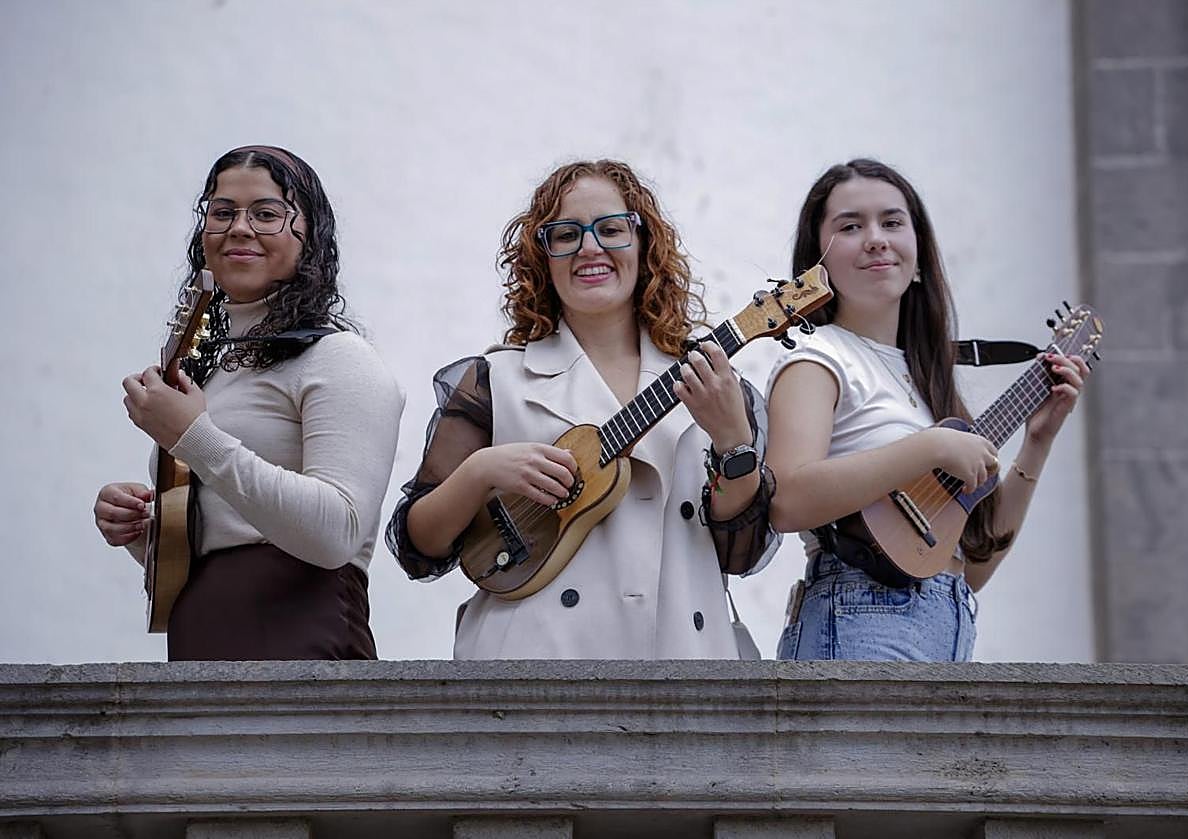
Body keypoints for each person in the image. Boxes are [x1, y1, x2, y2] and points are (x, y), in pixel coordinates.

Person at [386, 159, 779, 659]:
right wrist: (480, 471)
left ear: (643, 244)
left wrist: (733, 442)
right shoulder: (495, 381)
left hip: (683, 662)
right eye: (567, 235)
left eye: (611, 230)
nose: (590, 248)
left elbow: (740, 553)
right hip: (533, 665)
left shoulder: (713, 385)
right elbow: (420, 546)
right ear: (542, 257)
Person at [765, 159, 1089, 662]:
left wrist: (1037, 442)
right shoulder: (817, 358)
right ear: (818, 263)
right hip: (858, 617)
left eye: (892, 222)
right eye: (850, 226)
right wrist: (930, 447)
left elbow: (973, 567)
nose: (876, 239)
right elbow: (785, 500)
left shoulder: (927, 380)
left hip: (948, 621)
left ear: (918, 254)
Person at [93, 145, 404, 661]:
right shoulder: (210, 369)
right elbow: (231, 533)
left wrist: (192, 437)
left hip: (303, 637)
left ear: (311, 236)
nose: (239, 228)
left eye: (266, 213)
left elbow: (335, 534)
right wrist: (142, 531)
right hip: (200, 633)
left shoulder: (339, 358)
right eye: (223, 212)